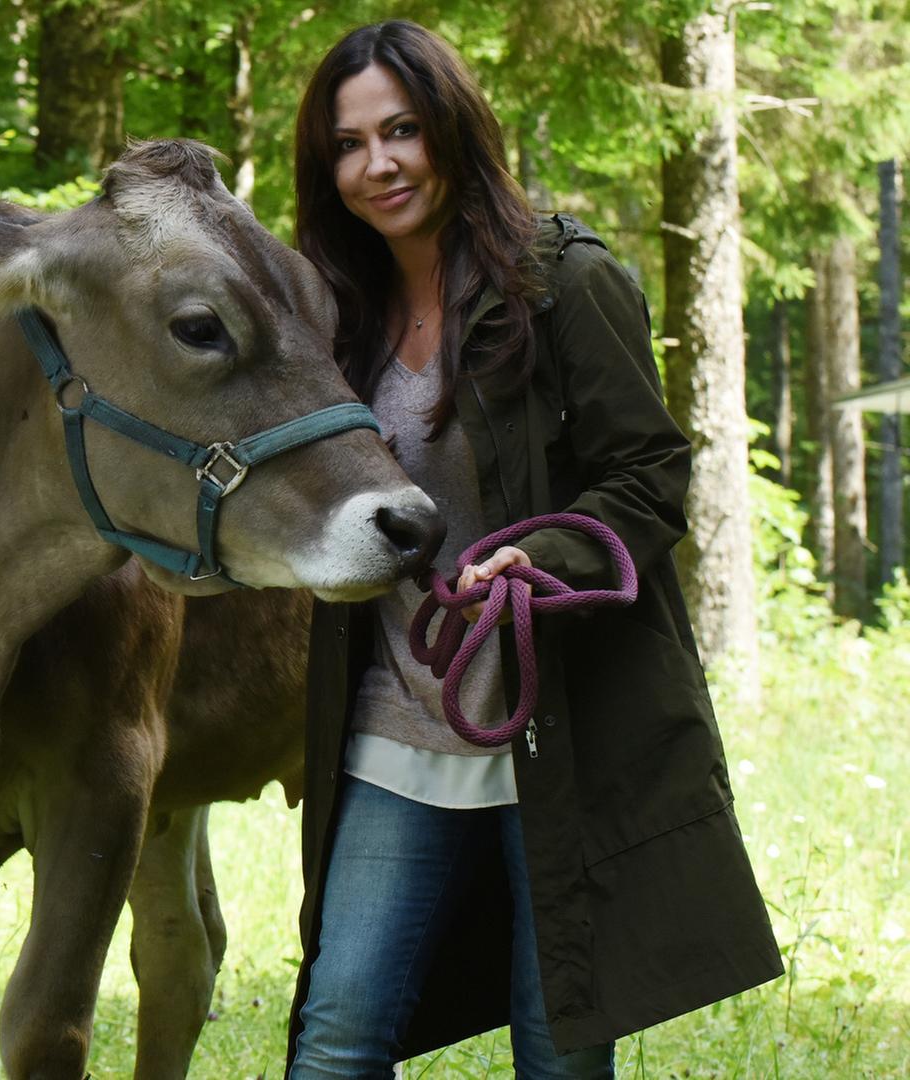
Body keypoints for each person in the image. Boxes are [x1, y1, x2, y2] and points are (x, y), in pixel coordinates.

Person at [282, 20, 782, 1079]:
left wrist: (544, 557)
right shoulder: (335, 319)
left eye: (402, 130)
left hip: (555, 729)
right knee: (335, 1034)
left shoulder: (564, 280)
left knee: (559, 1043)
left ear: (452, 129)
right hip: (395, 722)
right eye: (348, 143)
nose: (378, 164)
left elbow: (650, 474)